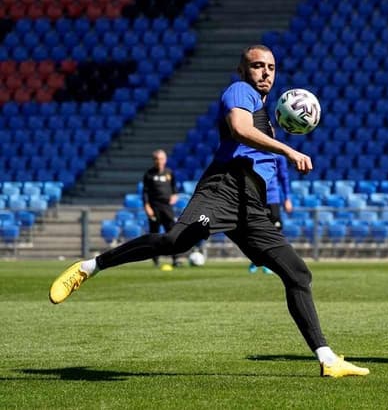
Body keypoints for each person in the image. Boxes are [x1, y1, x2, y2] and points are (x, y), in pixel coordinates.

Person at [48, 44, 369, 378]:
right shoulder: (239, 91)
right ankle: (90, 266)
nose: (265, 73)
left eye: (271, 67)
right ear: (243, 69)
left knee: (297, 273)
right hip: (224, 187)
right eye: (257, 66)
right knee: (175, 241)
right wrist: (289, 150)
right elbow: (240, 129)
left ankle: (327, 359)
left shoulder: (265, 111)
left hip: (251, 205)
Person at [249, 153, 293, 274]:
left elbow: (284, 177)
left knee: (276, 231)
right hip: (256, 197)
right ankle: (256, 260)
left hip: (273, 198)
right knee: (256, 230)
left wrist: (287, 198)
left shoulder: (278, 155)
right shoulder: (253, 152)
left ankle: (271, 263)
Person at [142, 149, 179, 268]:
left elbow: (174, 188)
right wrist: (147, 206)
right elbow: (145, 192)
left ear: (165, 160)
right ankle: (155, 260)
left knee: (172, 233)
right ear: (154, 160)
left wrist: (174, 195)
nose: (159, 161)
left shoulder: (169, 173)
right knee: (154, 234)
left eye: (162, 159)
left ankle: (175, 259)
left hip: (167, 207)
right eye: (157, 159)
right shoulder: (149, 174)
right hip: (154, 207)